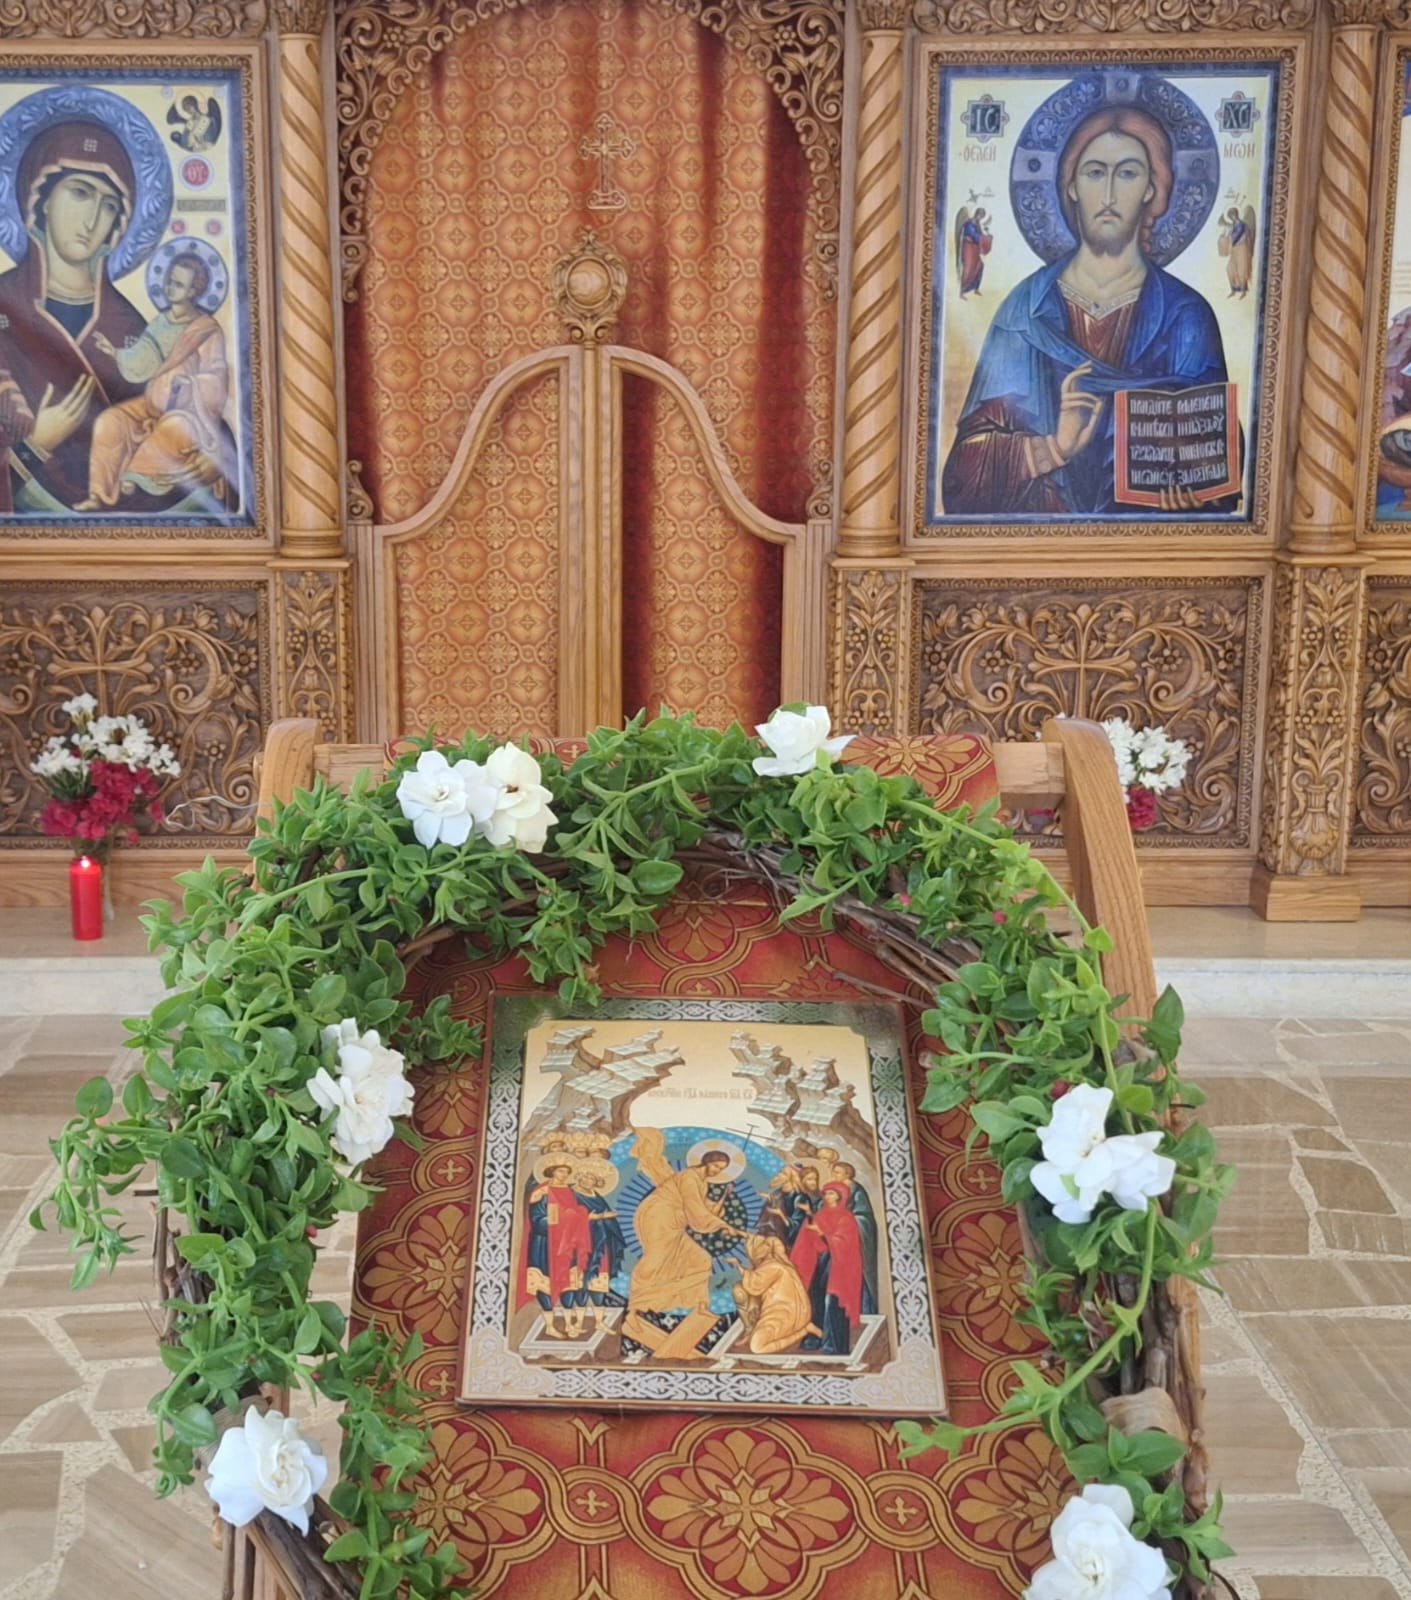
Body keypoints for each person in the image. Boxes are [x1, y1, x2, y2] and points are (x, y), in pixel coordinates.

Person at [941, 104, 1233, 518]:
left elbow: (1215, 455)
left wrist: (1197, 493)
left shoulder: (1187, 315)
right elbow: (961, 483)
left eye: (1128, 173)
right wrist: (1053, 448)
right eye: (1095, 172)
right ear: (1072, 186)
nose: (1109, 194)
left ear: (1151, 190)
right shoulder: (1024, 314)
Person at [0, 119, 154, 515]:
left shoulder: (130, 328)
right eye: (80, 193)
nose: (92, 221)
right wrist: (36, 446)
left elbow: (178, 428)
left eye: (109, 206)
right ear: (41, 197)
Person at [77, 252, 230, 511]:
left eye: (178, 284)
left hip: (190, 412)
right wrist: (115, 353)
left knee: (176, 426)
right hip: (151, 405)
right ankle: (98, 495)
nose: (170, 288)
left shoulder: (206, 329)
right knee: (109, 420)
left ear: (193, 291)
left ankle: (133, 476)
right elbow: (143, 358)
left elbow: (217, 376)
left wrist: (191, 384)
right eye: (169, 281)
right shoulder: (161, 321)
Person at [790, 1183, 865, 1355]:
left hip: (839, 1265)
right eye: (826, 1193)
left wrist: (823, 1233)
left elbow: (844, 1242)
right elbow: (812, 1237)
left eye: (832, 1193)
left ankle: (834, 1345)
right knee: (815, 1298)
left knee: (833, 1302)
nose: (828, 1196)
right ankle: (814, 1340)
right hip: (822, 1262)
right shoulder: (821, 1214)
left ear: (840, 1196)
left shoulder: (846, 1217)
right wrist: (810, 1215)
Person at [525, 1161, 592, 1339]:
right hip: (546, 1244)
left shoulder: (571, 1192)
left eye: (567, 1172)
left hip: (568, 1245)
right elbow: (537, 1220)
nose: (564, 1175)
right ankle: (550, 1326)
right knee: (546, 1284)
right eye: (561, 1171)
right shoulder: (541, 1192)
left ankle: (569, 1324)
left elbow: (577, 1213)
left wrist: (579, 1216)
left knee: (569, 1283)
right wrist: (564, 1219)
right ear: (552, 1171)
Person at [729, 1234, 819, 1355]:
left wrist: (739, 1266)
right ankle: (752, 1330)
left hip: (786, 1315)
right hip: (793, 1313)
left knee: (757, 1347)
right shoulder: (777, 1262)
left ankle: (804, 1330)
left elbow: (754, 1285)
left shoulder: (773, 1267)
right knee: (739, 1289)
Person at [574, 1167, 627, 1332]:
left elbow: (605, 1215)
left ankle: (599, 1322)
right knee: (582, 1281)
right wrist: (600, 1217)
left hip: (601, 1243)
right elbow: (570, 1217)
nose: (589, 1180)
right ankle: (578, 1322)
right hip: (583, 1244)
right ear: (580, 1177)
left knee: (599, 1282)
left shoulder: (597, 1197)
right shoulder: (573, 1195)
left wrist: (608, 1219)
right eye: (586, 1176)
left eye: (592, 1178)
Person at [828, 1161, 880, 1316]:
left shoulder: (856, 1191)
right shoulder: (836, 1189)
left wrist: (847, 1222)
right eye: (834, 1172)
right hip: (840, 1241)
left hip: (855, 1241)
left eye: (837, 1172)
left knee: (856, 1275)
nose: (834, 1175)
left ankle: (862, 1310)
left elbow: (864, 1217)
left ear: (847, 1174)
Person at [955, 206, 992, 298]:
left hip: (975, 248)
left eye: (982, 216)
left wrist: (987, 236)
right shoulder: (969, 224)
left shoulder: (977, 224)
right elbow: (974, 235)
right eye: (980, 215)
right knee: (968, 269)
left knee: (980, 266)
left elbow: (979, 235)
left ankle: (975, 288)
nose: (980, 218)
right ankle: (962, 291)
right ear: (977, 214)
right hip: (968, 248)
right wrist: (984, 238)